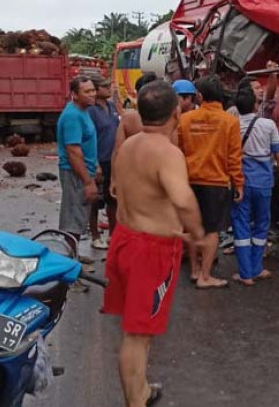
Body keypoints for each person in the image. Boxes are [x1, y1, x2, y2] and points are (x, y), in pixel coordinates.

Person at [103, 80, 205, 407]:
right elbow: (184, 200)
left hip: (124, 240)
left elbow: (118, 191)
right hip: (150, 250)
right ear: (176, 112)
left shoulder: (129, 146)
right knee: (137, 335)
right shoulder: (167, 153)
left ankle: (142, 389)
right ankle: (136, 401)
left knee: (135, 330)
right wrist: (196, 234)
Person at [178, 76, 244, 289]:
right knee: (212, 230)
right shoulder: (230, 121)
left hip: (189, 181)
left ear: (200, 95)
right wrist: (239, 183)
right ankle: (205, 277)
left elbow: (178, 151)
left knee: (191, 227)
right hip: (216, 183)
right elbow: (234, 156)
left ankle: (195, 270)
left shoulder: (185, 120)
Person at [229, 89, 279, 285]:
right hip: (264, 182)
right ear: (255, 105)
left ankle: (246, 274)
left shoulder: (232, 125)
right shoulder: (268, 124)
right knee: (262, 223)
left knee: (241, 223)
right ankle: (256, 268)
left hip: (241, 182)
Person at [57, 75, 98, 243]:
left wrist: (95, 166)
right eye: (87, 91)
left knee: (79, 214)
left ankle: (74, 256)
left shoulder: (83, 111)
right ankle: (70, 261)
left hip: (83, 170)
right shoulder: (73, 116)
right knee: (72, 218)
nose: (92, 94)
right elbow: (73, 151)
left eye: (93, 90)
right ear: (74, 94)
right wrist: (88, 181)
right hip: (75, 172)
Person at [87, 75, 120, 250]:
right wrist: (95, 164)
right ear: (97, 90)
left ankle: (113, 235)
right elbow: (89, 138)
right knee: (95, 201)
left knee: (112, 198)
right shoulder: (91, 111)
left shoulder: (112, 107)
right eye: (106, 87)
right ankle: (95, 235)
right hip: (98, 160)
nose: (110, 89)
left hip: (112, 160)